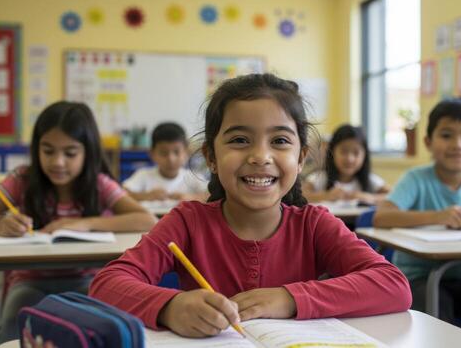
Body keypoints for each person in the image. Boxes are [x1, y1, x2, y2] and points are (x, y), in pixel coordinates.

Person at [89, 73, 411, 338]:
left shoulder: (313, 225)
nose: (260, 156)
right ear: (211, 158)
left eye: (280, 141)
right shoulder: (188, 222)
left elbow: (393, 285)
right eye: (240, 140)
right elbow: (106, 285)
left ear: (300, 159)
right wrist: (170, 306)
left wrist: (290, 298)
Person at [0, 101, 157, 343]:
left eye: (70, 153)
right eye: (48, 151)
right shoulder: (23, 179)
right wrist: (1, 224)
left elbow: (147, 219)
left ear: (87, 152)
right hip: (30, 280)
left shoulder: (98, 184)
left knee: (104, 325)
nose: (58, 162)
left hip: (86, 281)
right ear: (36, 148)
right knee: (13, 322)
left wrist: (85, 223)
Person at [374, 97, 461, 330]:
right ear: (428, 142)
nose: (458, 144)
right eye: (447, 135)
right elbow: (382, 216)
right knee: (438, 316)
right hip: (418, 278)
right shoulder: (416, 179)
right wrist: (438, 216)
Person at [304, 124, 389, 205]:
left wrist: (370, 198)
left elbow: (394, 197)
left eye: (356, 153)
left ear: (364, 155)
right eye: (344, 151)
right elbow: (301, 196)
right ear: (332, 152)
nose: (349, 159)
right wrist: (326, 195)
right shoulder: (320, 178)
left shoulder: (370, 180)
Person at [123, 122, 208, 202]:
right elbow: (121, 193)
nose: (171, 159)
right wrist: (146, 196)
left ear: (186, 152)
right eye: (163, 153)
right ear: (152, 154)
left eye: (176, 152)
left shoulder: (193, 177)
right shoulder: (143, 175)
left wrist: (191, 197)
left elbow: (211, 195)